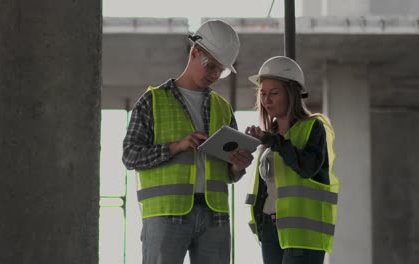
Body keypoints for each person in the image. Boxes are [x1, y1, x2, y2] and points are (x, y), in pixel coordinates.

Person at [122, 19, 254, 264]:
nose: (214, 75)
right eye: (210, 66)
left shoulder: (222, 108)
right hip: (165, 213)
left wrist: (238, 165)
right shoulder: (152, 101)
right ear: (194, 53)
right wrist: (177, 147)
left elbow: (229, 173)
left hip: (215, 214)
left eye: (221, 70)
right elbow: (130, 156)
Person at [244, 56, 340, 264]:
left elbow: (307, 167)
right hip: (270, 230)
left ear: (292, 93)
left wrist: (275, 141)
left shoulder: (313, 128)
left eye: (274, 93)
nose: (266, 100)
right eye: (263, 94)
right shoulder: (270, 137)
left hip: (303, 235)